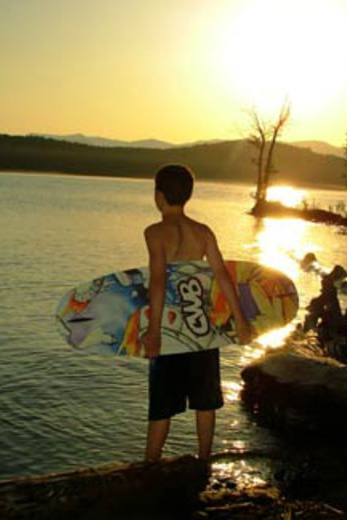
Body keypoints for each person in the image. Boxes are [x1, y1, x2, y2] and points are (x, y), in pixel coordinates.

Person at [139, 164, 252, 461]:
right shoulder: (203, 232)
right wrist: (240, 320)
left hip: (171, 333)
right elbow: (222, 276)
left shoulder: (154, 233)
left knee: (162, 405)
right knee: (205, 402)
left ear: (158, 196)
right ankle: (204, 461)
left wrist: (152, 331)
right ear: (188, 195)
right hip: (204, 332)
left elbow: (159, 281)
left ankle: (150, 464)